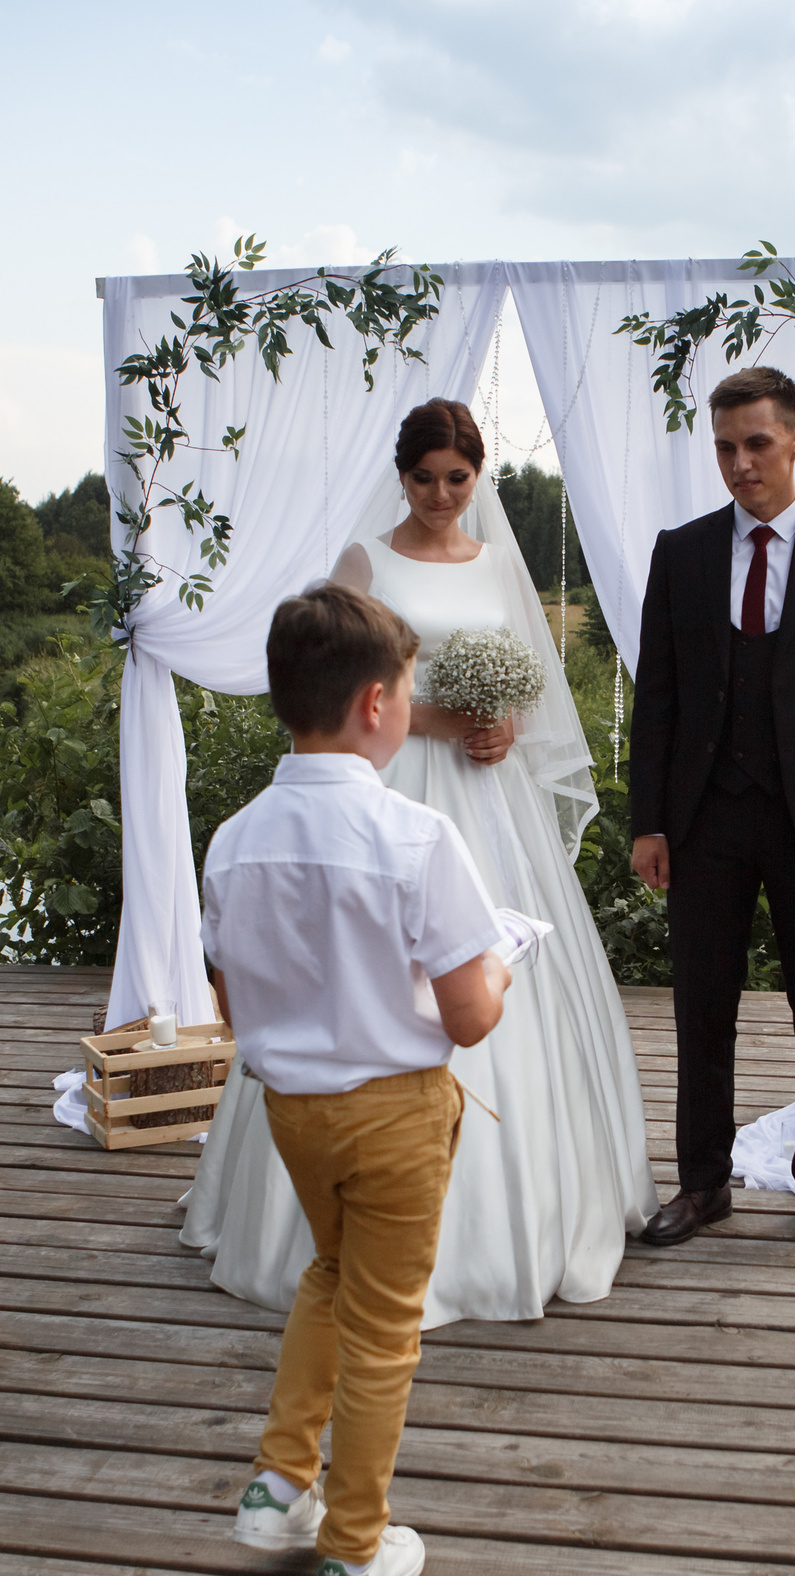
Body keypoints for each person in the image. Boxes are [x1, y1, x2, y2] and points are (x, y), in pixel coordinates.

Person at [182, 399, 651, 1327]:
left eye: (458, 477)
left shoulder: (499, 563)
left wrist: (504, 724)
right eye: (425, 476)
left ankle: (527, 1204)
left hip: (486, 788)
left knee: (486, 952)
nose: (441, 493)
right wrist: (434, 720)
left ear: (479, 480)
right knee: (377, 959)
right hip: (392, 778)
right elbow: (342, 682)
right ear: (401, 478)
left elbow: (532, 676)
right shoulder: (367, 563)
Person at [208, 584, 510, 1576]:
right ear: (378, 705)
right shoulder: (413, 837)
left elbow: (228, 993)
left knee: (332, 1277)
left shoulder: (233, 840)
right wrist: (505, 963)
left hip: (292, 1112)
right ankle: (350, 1553)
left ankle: (277, 1484)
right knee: (386, 1329)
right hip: (393, 1115)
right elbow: (470, 1017)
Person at [627, 365, 795, 1262]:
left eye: (755, 443)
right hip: (705, 819)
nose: (739, 464)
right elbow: (657, 698)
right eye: (724, 447)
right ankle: (702, 1183)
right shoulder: (684, 551)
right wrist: (650, 820)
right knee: (702, 1007)